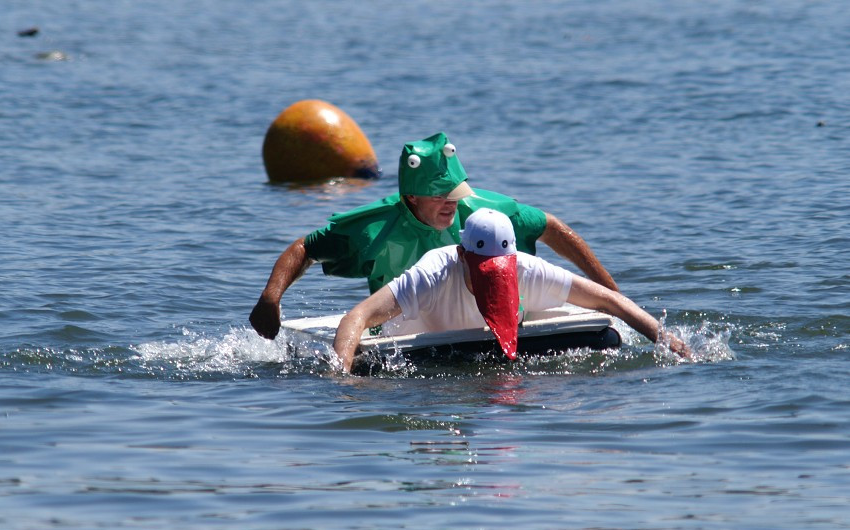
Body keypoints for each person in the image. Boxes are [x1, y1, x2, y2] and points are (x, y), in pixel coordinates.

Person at [250, 132, 619, 340]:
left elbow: (551, 227)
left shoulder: (484, 213)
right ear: (411, 197)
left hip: (495, 321)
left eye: (455, 195)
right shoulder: (371, 228)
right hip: (404, 331)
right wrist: (271, 297)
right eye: (440, 198)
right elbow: (304, 248)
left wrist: (610, 291)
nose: (452, 205)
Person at [333, 209, 688, 373]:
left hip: (487, 355)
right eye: (486, 272)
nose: (496, 281)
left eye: (501, 272)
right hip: (426, 348)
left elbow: (611, 301)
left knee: (607, 340)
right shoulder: (434, 272)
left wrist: (665, 339)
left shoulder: (525, 268)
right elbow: (357, 317)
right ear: (462, 255)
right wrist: (340, 379)